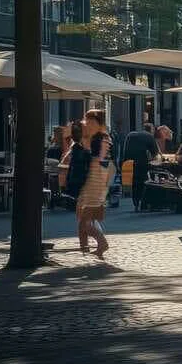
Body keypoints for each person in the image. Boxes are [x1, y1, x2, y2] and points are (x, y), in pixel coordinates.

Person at [67, 110, 113, 259]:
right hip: (90, 181)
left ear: (99, 124)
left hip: (94, 182)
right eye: (87, 121)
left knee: (85, 219)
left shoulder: (102, 139)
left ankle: (102, 243)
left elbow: (100, 160)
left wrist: (84, 144)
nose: (88, 124)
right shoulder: (94, 138)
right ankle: (84, 248)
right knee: (82, 217)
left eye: (91, 122)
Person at [120, 122, 158, 210]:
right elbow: (155, 153)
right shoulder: (149, 136)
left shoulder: (131, 134)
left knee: (134, 182)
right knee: (143, 181)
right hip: (141, 162)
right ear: (151, 130)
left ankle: (136, 202)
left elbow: (124, 148)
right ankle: (143, 202)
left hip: (128, 161)